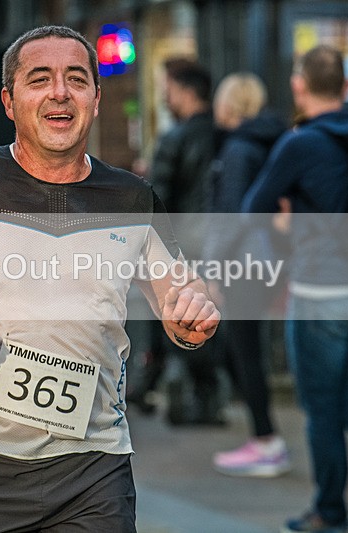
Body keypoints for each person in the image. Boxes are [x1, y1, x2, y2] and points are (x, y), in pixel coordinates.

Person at [0, 25, 220, 532]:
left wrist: (193, 316)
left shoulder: (133, 198)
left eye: (76, 79)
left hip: (94, 468)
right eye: (40, 79)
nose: (60, 91)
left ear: (96, 100)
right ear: (9, 102)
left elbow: (180, 295)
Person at [243, 45, 348, 533]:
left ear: (299, 85)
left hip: (322, 292)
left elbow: (249, 209)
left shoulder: (299, 143)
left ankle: (329, 511)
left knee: (323, 410)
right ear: (347, 87)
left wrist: (287, 228)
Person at [129, 58, 225, 425]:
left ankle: (160, 385)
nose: (164, 98)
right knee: (206, 318)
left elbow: (159, 201)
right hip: (221, 245)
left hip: (183, 246)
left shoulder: (175, 139)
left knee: (175, 314)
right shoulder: (225, 133)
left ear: (184, 91)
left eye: (167, 90)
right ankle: (204, 397)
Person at [204, 73, 291, 477]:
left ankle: (266, 442)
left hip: (242, 262)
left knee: (246, 350)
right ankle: (264, 438)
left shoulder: (239, 149)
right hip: (267, 259)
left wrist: (213, 268)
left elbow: (231, 216)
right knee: (247, 348)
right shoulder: (270, 141)